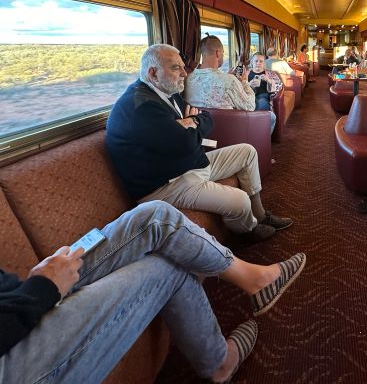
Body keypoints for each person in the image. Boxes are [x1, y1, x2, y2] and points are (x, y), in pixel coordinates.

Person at [0, 200, 307, 383]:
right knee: (167, 266)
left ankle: (252, 279)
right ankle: (221, 360)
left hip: (20, 303)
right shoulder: (139, 108)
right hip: (12, 351)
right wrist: (40, 290)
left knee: (154, 217)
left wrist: (36, 283)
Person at [106, 44, 291, 243]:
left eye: (182, 67)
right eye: (176, 68)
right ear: (153, 73)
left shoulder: (168, 93)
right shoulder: (140, 107)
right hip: (167, 185)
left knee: (247, 152)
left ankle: (261, 214)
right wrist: (189, 126)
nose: (185, 73)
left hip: (189, 164)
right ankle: (247, 232)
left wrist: (191, 122)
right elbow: (185, 143)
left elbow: (207, 118)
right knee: (240, 201)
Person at [249, 52, 282, 126]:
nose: (258, 63)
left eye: (261, 61)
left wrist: (268, 80)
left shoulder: (270, 74)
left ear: (264, 63)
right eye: (256, 61)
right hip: (247, 98)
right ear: (252, 62)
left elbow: (280, 86)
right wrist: (249, 85)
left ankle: (256, 128)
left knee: (261, 104)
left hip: (263, 96)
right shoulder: (246, 74)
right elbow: (237, 88)